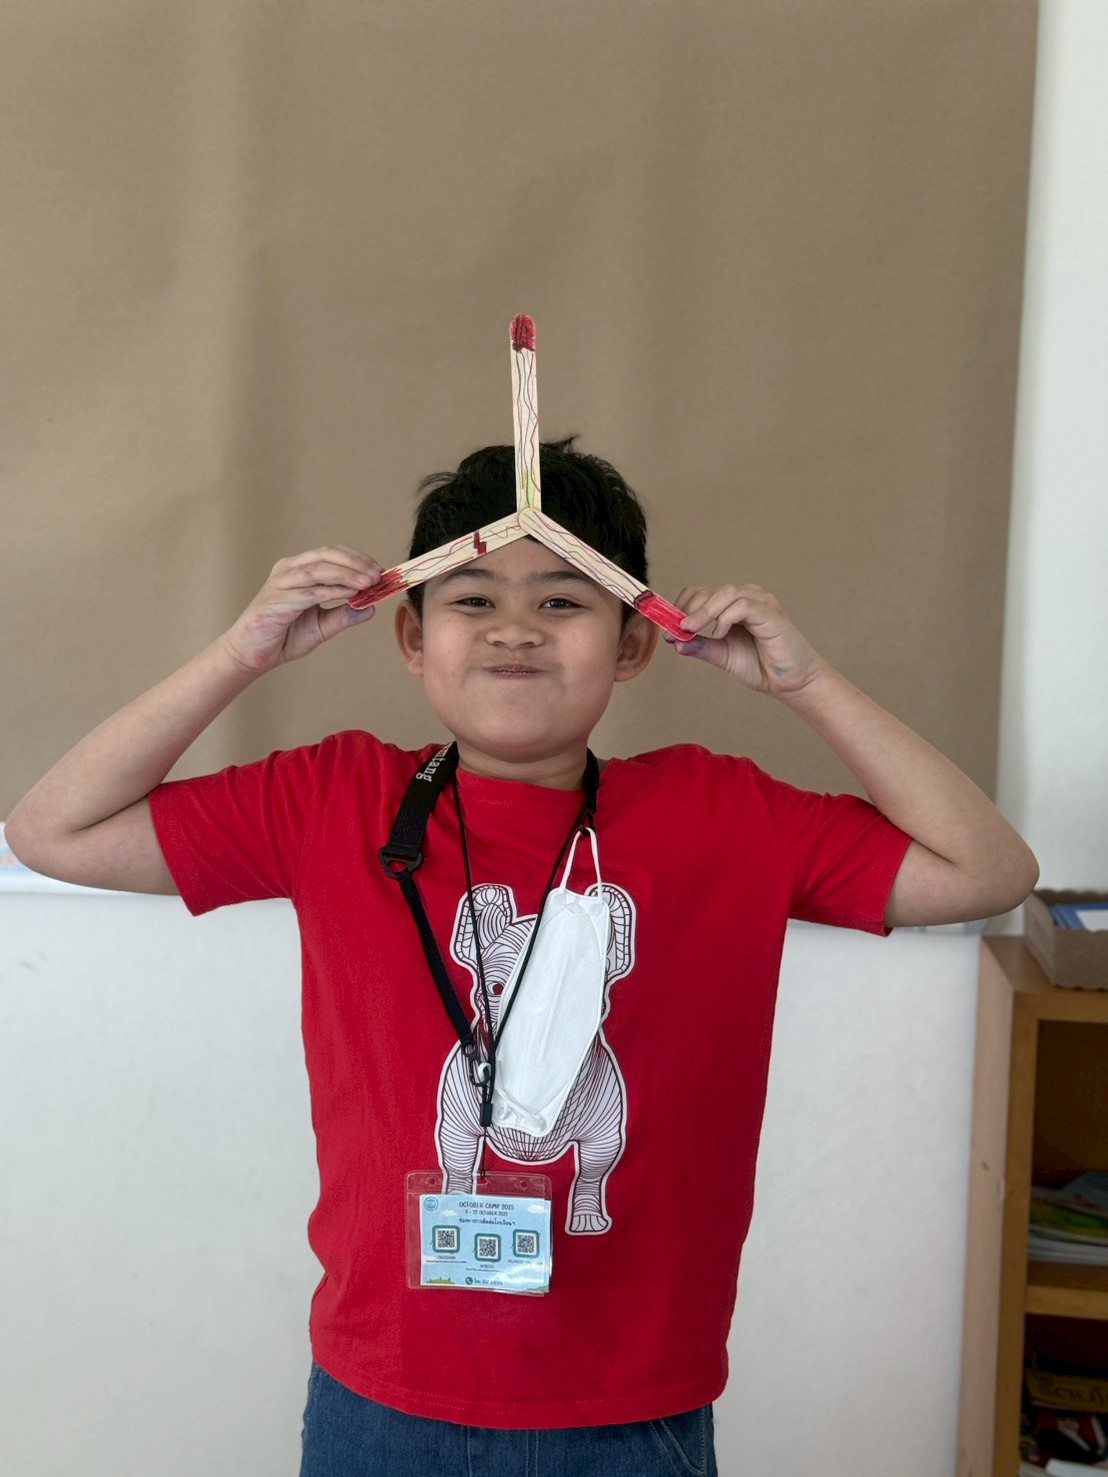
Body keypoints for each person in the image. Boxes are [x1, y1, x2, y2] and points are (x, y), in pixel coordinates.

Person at [6, 437, 1038, 1477]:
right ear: (412, 636)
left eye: (561, 601)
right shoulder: (332, 799)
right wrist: (243, 653)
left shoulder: (721, 812)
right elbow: (54, 830)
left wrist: (808, 685)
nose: (514, 629)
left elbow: (987, 870)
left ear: (632, 644)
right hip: (383, 1396)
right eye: (472, 599)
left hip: (635, 1409)